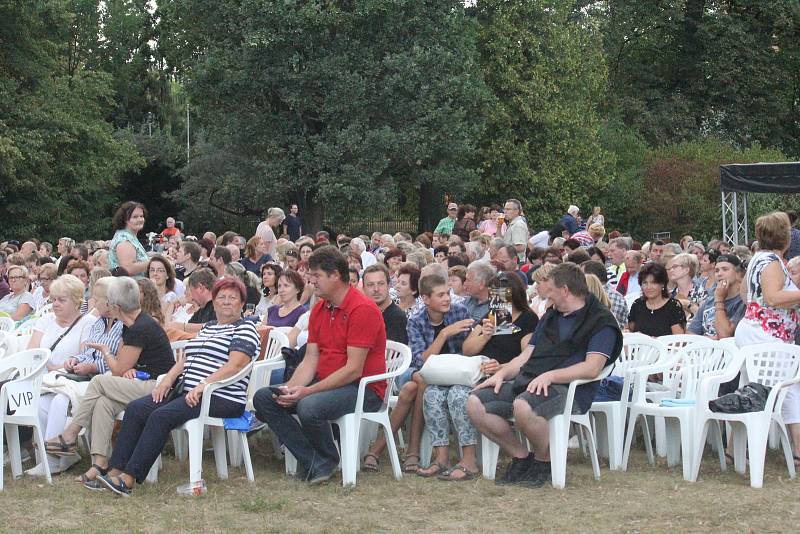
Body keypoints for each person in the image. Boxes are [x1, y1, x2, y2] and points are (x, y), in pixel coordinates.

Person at [94, 277, 259, 496]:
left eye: (233, 298)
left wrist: (202, 386)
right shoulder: (210, 327)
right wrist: (168, 379)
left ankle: (128, 479)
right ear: (214, 301)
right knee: (136, 408)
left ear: (241, 304)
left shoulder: (245, 328)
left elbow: (235, 365)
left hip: (221, 396)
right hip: (186, 390)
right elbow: (185, 359)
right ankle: (115, 471)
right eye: (222, 297)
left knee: (161, 416)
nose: (227, 302)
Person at [467, 263, 621, 487]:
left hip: (571, 389)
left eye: (549, 290)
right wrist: (502, 374)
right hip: (531, 380)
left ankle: (543, 459)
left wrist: (551, 376)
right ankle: (521, 456)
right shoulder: (551, 316)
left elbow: (592, 368)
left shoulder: (601, 321)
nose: (545, 295)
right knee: (474, 402)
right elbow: (525, 357)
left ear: (565, 290)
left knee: (523, 405)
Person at [252, 246, 387, 484]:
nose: (311, 281)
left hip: (362, 388)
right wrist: (290, 389)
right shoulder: (320, 309)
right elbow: (311, 359)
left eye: (316, 276)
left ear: (335, 275)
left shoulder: (362, 309)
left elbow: (354, 369)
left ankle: (323, 459)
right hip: (329, 383)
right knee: (265, 398)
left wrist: (308, 391)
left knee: (308, 406)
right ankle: (316, 459)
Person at [42, 277, 173, 486]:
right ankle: (100, 464)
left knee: (99, 382)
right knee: (103, 403)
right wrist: (124, 366)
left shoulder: (140, 327)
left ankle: (70, 434)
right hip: (142, 382)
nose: (104, 306)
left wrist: (105, 351)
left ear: (117, 307)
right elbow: (125, 367)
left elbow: (118, 369)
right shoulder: (131, 325)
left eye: (109, 302)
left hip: (159, 387)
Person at [734, 212, 800, 465]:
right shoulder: (772, 262)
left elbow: (745, 295)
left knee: (752, 386)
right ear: (786, 237)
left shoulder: (756, 260)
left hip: (754, 329)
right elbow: (772, 298)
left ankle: (735, 448)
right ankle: (796, 451)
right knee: (788, 388)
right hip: (767, 334)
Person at [23, 274, 96, 475]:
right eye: (53, 299)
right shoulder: (45, 320)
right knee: (37, 405)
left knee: (59, 402)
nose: (55, 304)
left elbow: (84, 355)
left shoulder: (88, 322)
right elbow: (32, 351)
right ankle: (61, 457)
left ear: (76, 301)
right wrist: (48, 367)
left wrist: (59, 367)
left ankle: (53, 461)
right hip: (46, 379)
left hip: (72, 379)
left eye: (61, 300)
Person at [407, 274, 475, 479]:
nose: (447, 299)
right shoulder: (416, 321)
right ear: (426, 299)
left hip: (461, 374)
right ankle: (441, 458)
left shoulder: (460, 311)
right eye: (441, 295)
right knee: (432, 396)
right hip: (436, 376)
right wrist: (444, 334)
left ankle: (469, 460)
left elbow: (469, 349)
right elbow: (421, 361)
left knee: (458, 396)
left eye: (448, 293)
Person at [360, 264, 417, 472]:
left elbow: (391, 359)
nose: (376, 289)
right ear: (363, 288)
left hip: (384, 379)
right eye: (370, 285)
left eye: (380, 284)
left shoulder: (396, 317)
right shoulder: (362, 313)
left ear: (388, 285)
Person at [688, 254, 745, 339]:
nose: (719, 274)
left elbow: (725, 335)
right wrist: (710, 340)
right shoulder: (710, 300)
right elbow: (690, 333)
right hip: (703, 349)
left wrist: (719, 300)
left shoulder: (742, 302)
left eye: (725, 269)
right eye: (717, 271)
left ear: (738, 274)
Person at [628, 262, 686, 336]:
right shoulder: (637, 304)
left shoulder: (673, 306)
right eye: (645, 283)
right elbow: (631, 331)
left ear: (662, 284)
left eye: (653, 283)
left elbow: (679, 340)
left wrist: (654, 342)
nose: (649, 287)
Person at [581, 260, 628, 329]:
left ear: (592, 277)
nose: (578, 279)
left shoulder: (612, 297)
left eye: (581, 275)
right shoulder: (617, 295)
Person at [108, 201, 149, 278]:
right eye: (135, 217)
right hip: (130, 287)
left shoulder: (131, 237)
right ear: (125, 220)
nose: (140, 219)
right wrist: (154, 261)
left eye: (141, 216)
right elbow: (128, 268)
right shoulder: (124, 240)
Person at [667, 252, 707, 319]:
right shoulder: (669, 295)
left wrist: (688, 304)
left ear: (686, 270)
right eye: (670, 268)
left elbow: (705, 319)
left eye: (675, 267)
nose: (671, 270)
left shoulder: (702, 293)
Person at [502, 198, 529, 263]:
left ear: (516, 211)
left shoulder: (518, 225)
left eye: (508, 209)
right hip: (511, 261)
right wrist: (498, 227)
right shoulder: (512, 223)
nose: (505, 212)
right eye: (504, 209)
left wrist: (504, 250)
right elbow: (501, 241)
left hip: (516, 262)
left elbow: (521, 247)